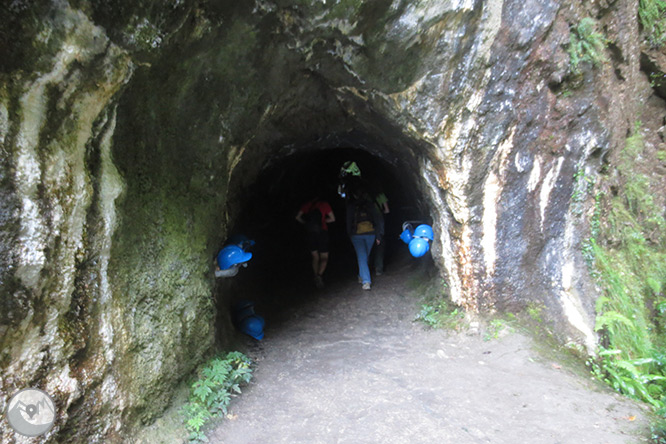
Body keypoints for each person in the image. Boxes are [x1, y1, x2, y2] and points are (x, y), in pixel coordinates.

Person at [345, 185, 384, 291]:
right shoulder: (370, 205)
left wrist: (349, 234)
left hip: (356, 235)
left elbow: (348, 221)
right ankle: (362, 277)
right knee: (365, 257)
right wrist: (378, 235)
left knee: (362, 257)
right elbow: (377, 220)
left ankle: (366, 281)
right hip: (371, 234)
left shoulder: (351, 206)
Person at [295, 196, 335, 288]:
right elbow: (333, 219)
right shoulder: (324, 204)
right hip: (322, 233)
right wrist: (324, 221)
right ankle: (319, 276)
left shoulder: (307, 205)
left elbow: (297, 217)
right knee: (324, 257)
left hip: (311, 234)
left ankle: (315, 275)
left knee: (315, 257)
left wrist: (306, 224)